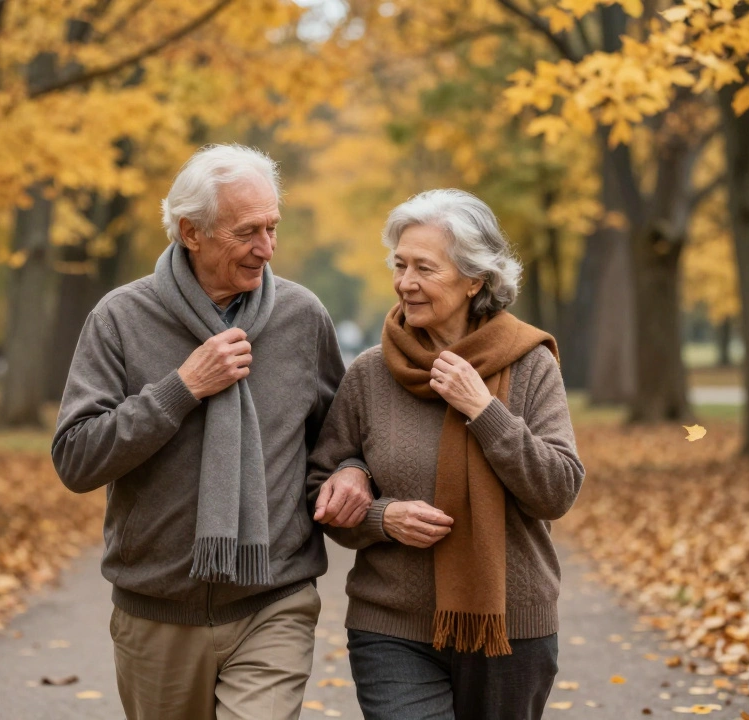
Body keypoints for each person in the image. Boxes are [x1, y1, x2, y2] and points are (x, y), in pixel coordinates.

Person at [52, 144, 373, 720]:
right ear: (190, 232)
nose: (267, 248)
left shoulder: (302, 316)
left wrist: (353, 470)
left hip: (275, 600)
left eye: (273, 227)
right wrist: (181, 389)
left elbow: (342, 440)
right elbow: (76, 458)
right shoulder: (120, 319)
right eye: (247, 231)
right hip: (156, 611)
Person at [308, 189, 586, 720]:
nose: (405, 282)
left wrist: (484, 410)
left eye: (425, 268)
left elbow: (556, 491)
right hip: (391, 623)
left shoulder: (529, 364)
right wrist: (381, 517)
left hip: (509, 626)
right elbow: (321, 491)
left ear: (474, 279)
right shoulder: (371, 372)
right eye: (400, 264)